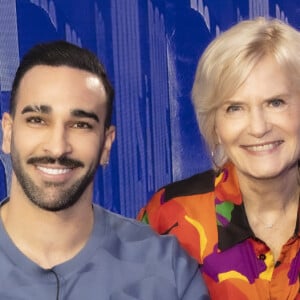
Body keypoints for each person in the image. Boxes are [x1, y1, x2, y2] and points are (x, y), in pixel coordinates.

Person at [0, 40, 209, 299]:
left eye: (80, 125)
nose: (56, 147)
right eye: (37, 120)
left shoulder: (166, 270)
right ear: (7, 133)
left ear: (106, 144)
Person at [138, 17, 300, 299]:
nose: (258, 127)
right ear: (214, 124)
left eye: (276, 102)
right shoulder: (170, 217)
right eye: (235, 108)